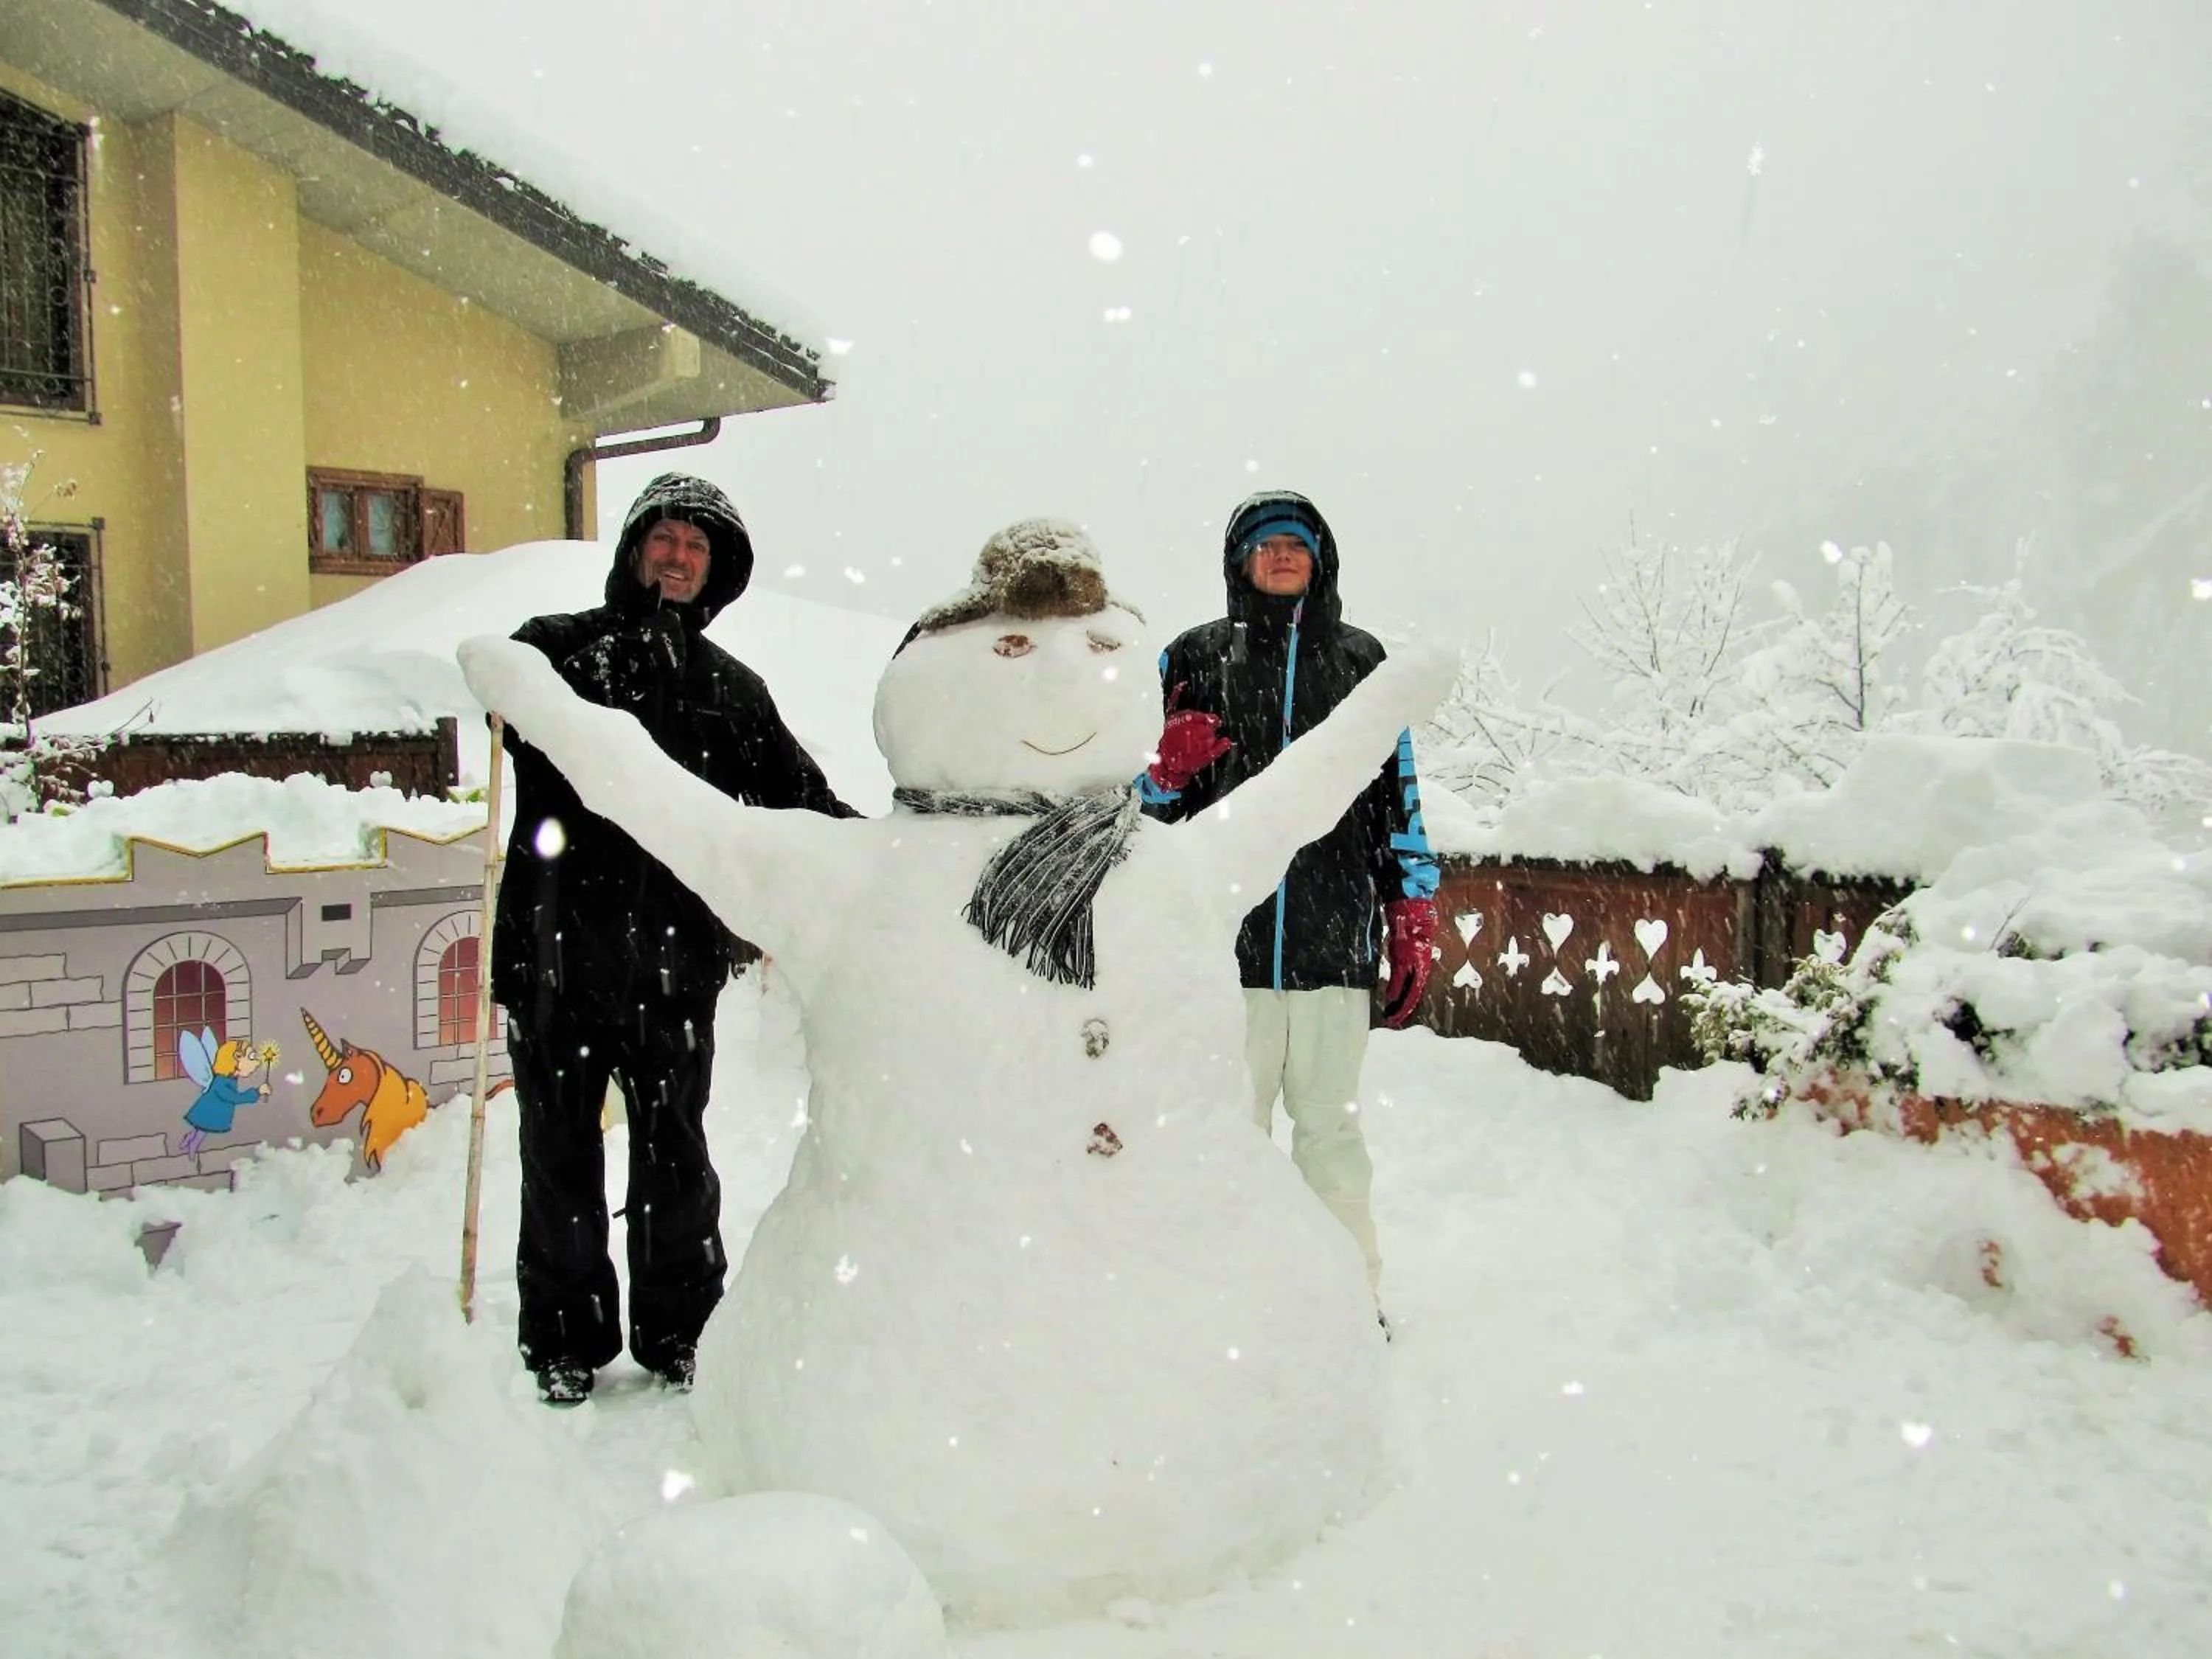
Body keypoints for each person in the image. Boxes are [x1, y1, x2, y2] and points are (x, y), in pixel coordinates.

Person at [491, 472, 856, 1406]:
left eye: (698, 546)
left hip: (670, 966)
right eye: (666, 538)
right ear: (635, 547)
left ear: (719, 568)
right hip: (554, 955)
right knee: (558, 1154)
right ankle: (564, 1340)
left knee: (675, 1154)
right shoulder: (561, 652)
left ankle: (681, 1330)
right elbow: (502, 698)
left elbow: (801, 801)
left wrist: (889, 850)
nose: (679, 556)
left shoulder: (731, 690)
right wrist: (592, 669)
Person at [1141, 489, 1439, 1313]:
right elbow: (1133, 814)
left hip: (1333, 940)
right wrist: (1163, 772)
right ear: (1240, 562)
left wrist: (1412, 911)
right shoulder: (1190, 658)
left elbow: (1397, 795)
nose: (1279, 555)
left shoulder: (1359, 661)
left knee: (1331, 1136)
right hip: (1218, 951)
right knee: (1222, 1137)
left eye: (1295, 544)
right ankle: (1224, 1303)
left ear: (1320, 560)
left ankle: (1348, 1302)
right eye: (1264, 544)